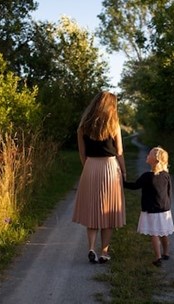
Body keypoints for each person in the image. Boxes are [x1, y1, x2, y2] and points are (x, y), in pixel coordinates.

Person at [72, 91, 127, 264]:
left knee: (92, 211)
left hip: (90, 167)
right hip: (110, 167)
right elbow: (119, 152)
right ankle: (104, 252)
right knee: (108, 211)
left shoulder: (83, 127)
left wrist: (88, 167)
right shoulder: (114, 125)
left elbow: (82, 153)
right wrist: (124, 171)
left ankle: (91, 248)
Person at [123, 146, 174, 267]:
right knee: (163, 233)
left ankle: (157, 257)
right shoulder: (166, 176)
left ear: (155, 160)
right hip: (164, 210)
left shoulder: (147, 176)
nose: (147, 155)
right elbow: (169, 192)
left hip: (151, 210)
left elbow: (135, 186)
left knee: (154, 234)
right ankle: (166, 253)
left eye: (149, 154)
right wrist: (167, 205)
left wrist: (122, 182)